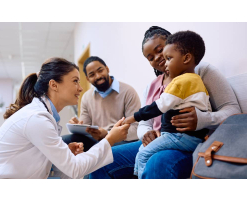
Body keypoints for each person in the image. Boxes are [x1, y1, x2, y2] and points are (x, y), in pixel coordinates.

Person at [90, 26, 241, 179]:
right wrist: (145, 135)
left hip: (189, 142)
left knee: (157, 163)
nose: (157, 57)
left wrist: (202, 119)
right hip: (160, 141)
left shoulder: (200, 71)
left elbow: (233, 110)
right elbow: (144, 124)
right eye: (150, 57)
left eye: (159, 49)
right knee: (101, 159)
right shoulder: (151, 87)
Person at [0, 58, 130, 179]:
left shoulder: (43, 116)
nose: (80, 88)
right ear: (54, 85)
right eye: (75, 81)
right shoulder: (37, 118)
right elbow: (74, 169)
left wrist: (63, 153)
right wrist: (109, 140)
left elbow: (40, 163)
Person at [123, 30, 211, 178]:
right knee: (108, 158)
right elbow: (206, 106)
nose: (160, 59)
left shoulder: (182, 81)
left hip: (177, 137)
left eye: (166, 55)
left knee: (144, 156)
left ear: (186, 57)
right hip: (189, 138)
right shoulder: (196, 81)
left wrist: (133, 118)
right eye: (150, 58)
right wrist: (146, 134)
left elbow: (159, 107)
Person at [62, 56, 141, 152]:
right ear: (87, 79)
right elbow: (85, 129)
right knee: (64, 141)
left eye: (100, 70)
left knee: (105, 150)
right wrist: (77, 126)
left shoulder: (128, 91)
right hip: (96, 141)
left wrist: (108, 134)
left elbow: (136, 129)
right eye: (92, 75)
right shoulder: (87, 97)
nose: (98, 76)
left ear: (107, 69)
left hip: (121, 141)